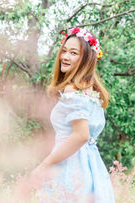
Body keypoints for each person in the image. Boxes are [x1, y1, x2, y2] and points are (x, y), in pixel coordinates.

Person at [27, 27, 115, 202]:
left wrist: (44, 165)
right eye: (64, 51)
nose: (65, 57)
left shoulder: (72, 90)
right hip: (92, 167)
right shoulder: (92, 92)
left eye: (73, 53)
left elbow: (81, 135)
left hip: (71, 166)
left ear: (85, 60)